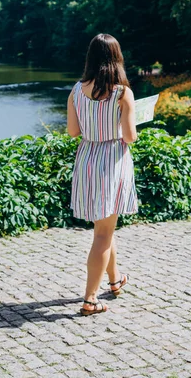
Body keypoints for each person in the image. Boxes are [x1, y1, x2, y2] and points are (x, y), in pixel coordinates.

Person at [67, 33, 138, 316]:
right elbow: (130, 137)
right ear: (116, 58)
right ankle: (90, 299)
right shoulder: (123, 93)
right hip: (111, 160)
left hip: (87, 159)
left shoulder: (75, 90)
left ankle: (115, 280)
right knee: (103, 234)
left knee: (104, 228)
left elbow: (73, 132)